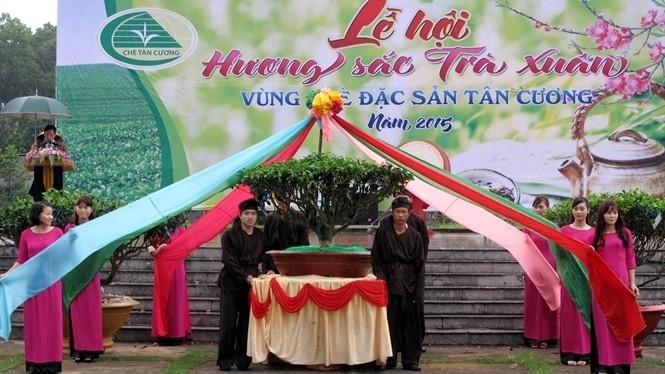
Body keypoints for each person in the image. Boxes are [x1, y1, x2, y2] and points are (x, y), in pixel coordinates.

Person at [0, 202, 64, 373]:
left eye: (51, 214)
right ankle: (34, 363)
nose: (51, 217)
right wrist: (6, 275)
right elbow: (21, 260)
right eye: (47, 214)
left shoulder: (58, 232)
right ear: (38, 215)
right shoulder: (26, 234)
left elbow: (64, 254)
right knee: (34, 322)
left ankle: (52, 362)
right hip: (31, 284)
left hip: (51, 283)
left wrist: (72, 238)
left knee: (52, 320)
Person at [371, 196, 425, 372]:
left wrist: (418, 292)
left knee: (411, 324)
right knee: (389, 323)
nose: (400, 215)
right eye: (397, 212)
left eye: (404, 212)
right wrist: (381, 278)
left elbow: (420, 266)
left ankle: (410, 360)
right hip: (389, 282)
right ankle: (389, 358)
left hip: (409, 283)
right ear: (392, 213)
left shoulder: (415, 236)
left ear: (409, 214)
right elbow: (376, 259)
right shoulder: (383, 233)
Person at [216, 198, 268, 371]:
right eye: (246, 213)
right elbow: (229, 261)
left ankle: (243, 359)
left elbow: (265, 257)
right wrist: (245, 276)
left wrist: (267, 271)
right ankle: (225, 359)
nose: (250, 217)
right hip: (231, 282)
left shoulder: (261, 236)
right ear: (240, 215)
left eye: (253, 214)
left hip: (251, 284)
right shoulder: (229, 235)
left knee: (246, 322)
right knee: (228, 322)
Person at [590, 199, 638, 374]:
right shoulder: (595, 236)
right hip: (602, 287)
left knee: (622, 325)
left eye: (615, 212)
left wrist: (632, 283)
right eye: (609, 212)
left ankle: (621, 366)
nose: (612, 215)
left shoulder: (625, 234)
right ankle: (603, 365)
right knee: (604, 326)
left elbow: (630, 260)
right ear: (602, 215)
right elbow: (589, 260)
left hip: (622, 285)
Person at [64, 195, 104, 363]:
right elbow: (65, 250)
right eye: (80, 207)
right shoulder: (69, 228)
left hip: (91, 273)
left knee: (91, 311)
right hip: (74, 274)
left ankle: (92, 349)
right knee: (77, 312)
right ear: (76, 209)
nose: (83, 210)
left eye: (86, 207)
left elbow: (99, 248)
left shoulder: (97, 227)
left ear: (91, 209)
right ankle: (79, 350)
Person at [559, 196, 593, 366]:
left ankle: (586, 353)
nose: (579, 212)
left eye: (582, 208)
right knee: (569, 316)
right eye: (576, 208)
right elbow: (560, 256)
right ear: (572, 211)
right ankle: (569, 354)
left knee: (585, 314)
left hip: (587, 279)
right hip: (569, 279)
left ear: (588, 211)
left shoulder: (594, 232)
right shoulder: (564, 231)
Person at [522, 195, 559, 349]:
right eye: (536, 207)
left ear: (548, 208)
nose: (538, 210)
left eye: (541, 206)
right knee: (533, 302)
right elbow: (524, 246)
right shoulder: (528, 226)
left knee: (548, 302)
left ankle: (548, 337)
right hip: (533, 268)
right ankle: (534, 336)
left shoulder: (552, 226)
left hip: (550, 267)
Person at [147, 226, 192, 346]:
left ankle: (176, 334)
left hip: (176, 266)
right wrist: (150, 247)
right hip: (161, 266)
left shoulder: (180, 229)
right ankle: (162, 334)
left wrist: (168, 247)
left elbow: (187, 246)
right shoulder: (158, 227)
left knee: (176, 298)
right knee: (162, 298)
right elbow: (151, 242)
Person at [262, 196, 309, 273]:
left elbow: (304, 245)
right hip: (275, 267)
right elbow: (265, 247)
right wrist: (267, 269)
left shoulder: (299, 217)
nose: (282, 200)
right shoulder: (270, 220)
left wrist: (303, 267)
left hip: (296, 266)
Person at [28, 124, 67, 201]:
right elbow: (31, 157)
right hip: (40, 175)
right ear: (44, 134)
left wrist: (56, 153)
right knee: (40, 199)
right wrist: (33, 150)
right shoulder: (38, 145)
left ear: (54, 135)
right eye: (46, 134)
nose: (48, 136)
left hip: (56, 175)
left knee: (56, 198)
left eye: (51, 134)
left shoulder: (60, 145)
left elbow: (66, 157)